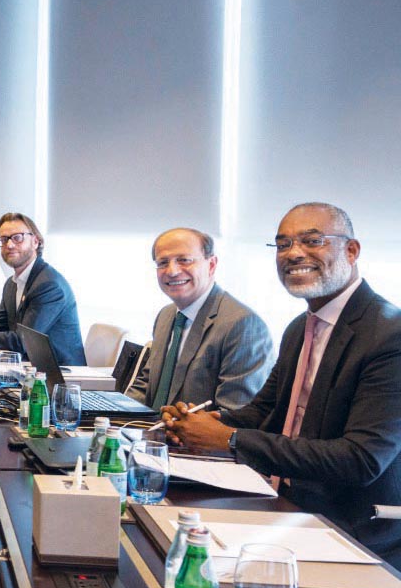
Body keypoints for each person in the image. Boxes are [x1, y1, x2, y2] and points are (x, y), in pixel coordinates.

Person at [163, 203, 401, 568]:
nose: (294, 253)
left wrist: (229, 439)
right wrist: (201, 424)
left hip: (352, 530)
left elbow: (361, 459)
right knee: (171, 544)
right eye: (283, 244)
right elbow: (264, 412)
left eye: (312, 241)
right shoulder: (299, 328)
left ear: (351, 251)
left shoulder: (388, 335)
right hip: (284, 504)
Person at [125, 228, 273, 412]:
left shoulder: (243, 325)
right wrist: (111, 414)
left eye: (184, 260)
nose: (172, 271)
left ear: (211, 265)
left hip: (193, 432)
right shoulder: (166, 315)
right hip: (149, 428)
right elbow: (147, 385)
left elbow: (235, 414)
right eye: (163, 263)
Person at [0, 212, 85, 365]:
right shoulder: (11, 284)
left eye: (17, 238)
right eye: (4, 239)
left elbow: (22, 341)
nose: (9, 245)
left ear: (35, 242)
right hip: (28, 368)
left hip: (62, 374)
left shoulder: (49, 285)